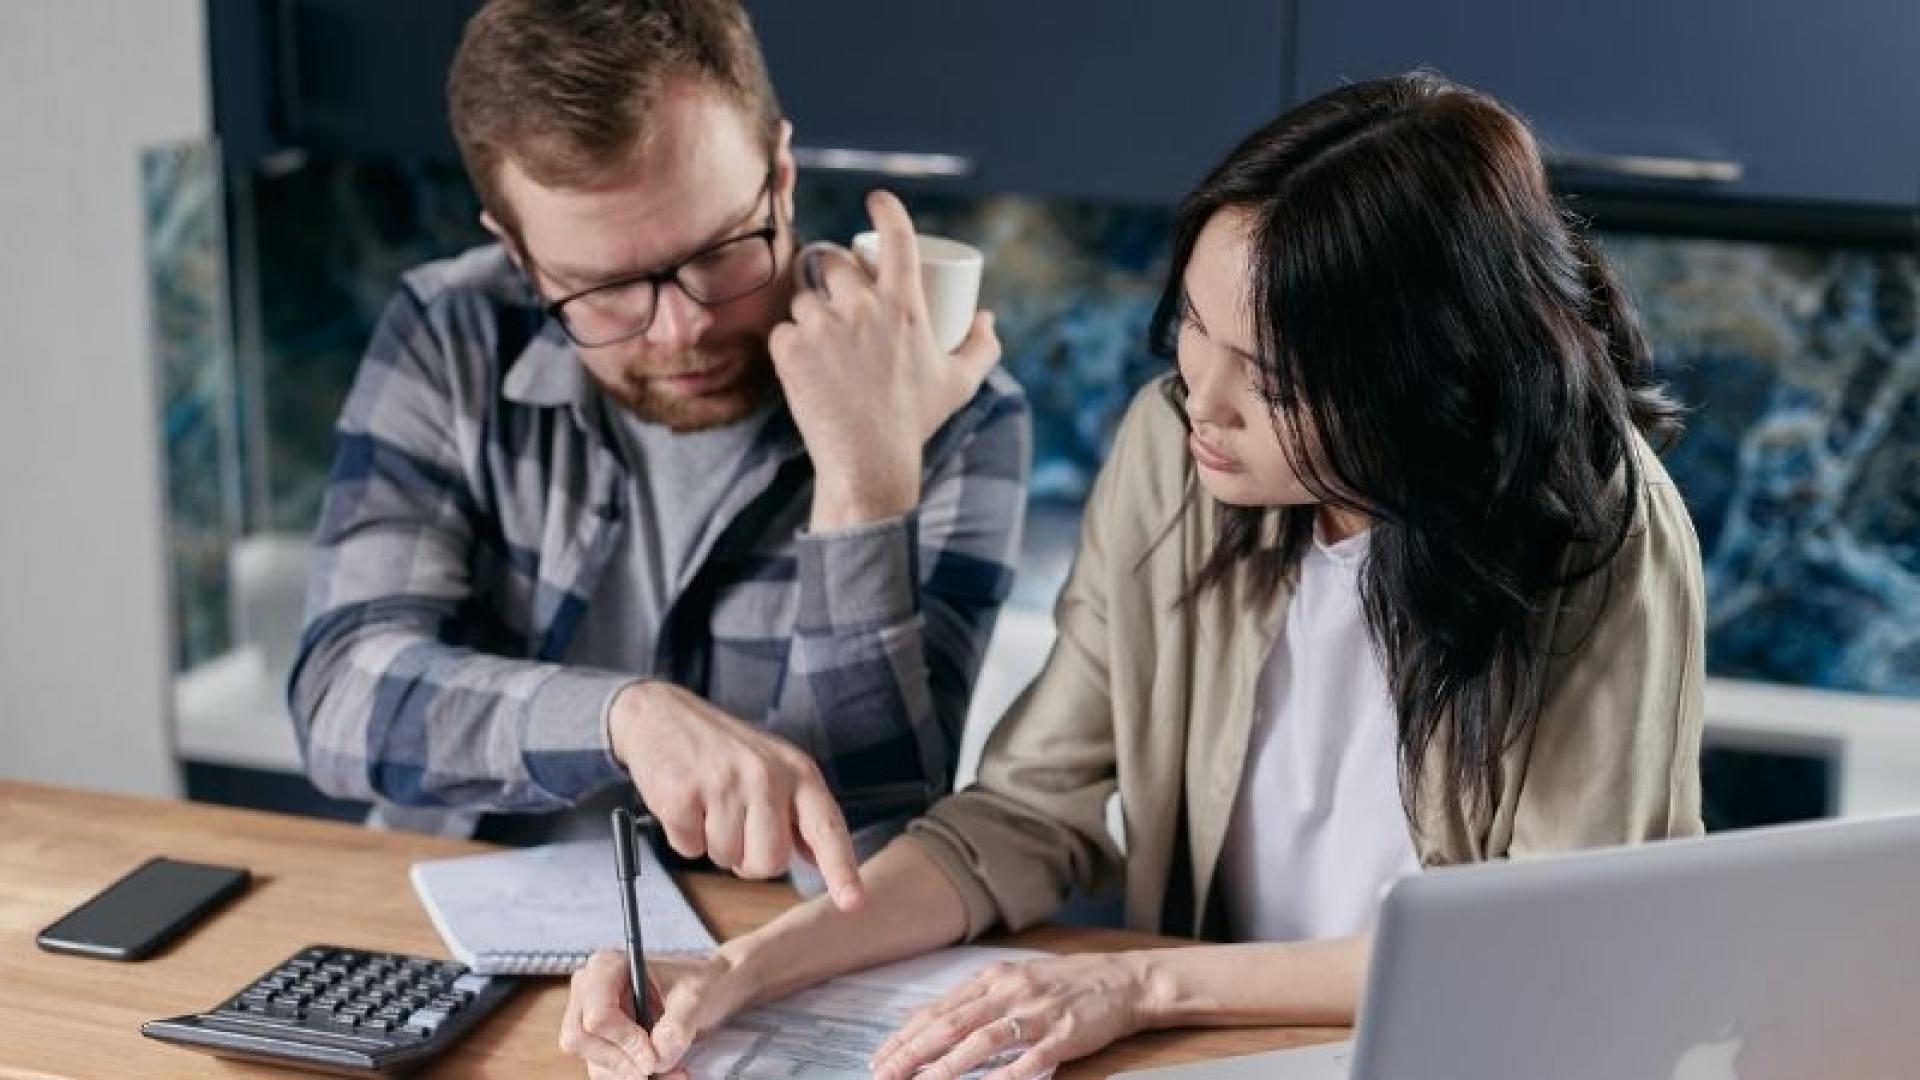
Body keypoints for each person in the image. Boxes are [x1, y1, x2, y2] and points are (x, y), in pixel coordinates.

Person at [557, 72, 1708, 1079]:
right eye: (1194, 328)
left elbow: (1544, 950)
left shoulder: (1603, 537)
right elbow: (1019, 816)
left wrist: (1146, 987)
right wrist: (738, 970)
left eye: (1272, 379)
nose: (1199, 400)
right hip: (1214, 1056)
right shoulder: (1176, 454)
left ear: (1423, 379)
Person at [287, 0, 1031, 907]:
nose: (685, 329)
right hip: (458, 926)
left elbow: (875, 856)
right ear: (517, 256)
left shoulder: (956, 409)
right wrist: (623, 719)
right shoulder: (452, 335)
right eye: (601, 288)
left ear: (782, 177)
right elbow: (339, 701)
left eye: (719, 252)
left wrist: (862, 484)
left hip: (766, 966)